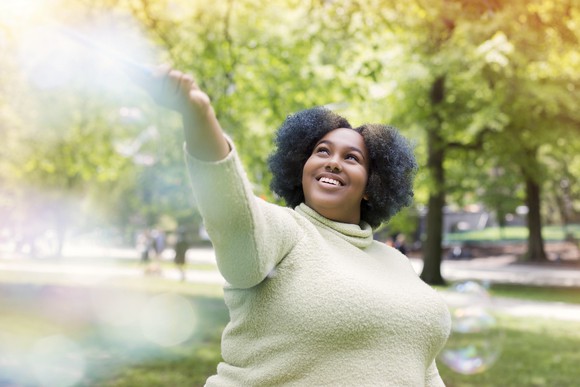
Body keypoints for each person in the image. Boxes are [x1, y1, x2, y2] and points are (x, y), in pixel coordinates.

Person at [137, 65, 451, 386]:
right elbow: (231, 213)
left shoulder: (395, 262)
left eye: (352, 158)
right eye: (322, 152)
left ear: (372, 185)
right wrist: (198, 114)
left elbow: (420, 365)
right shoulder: (286, 230)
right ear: (301, 169)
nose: (333, 161)